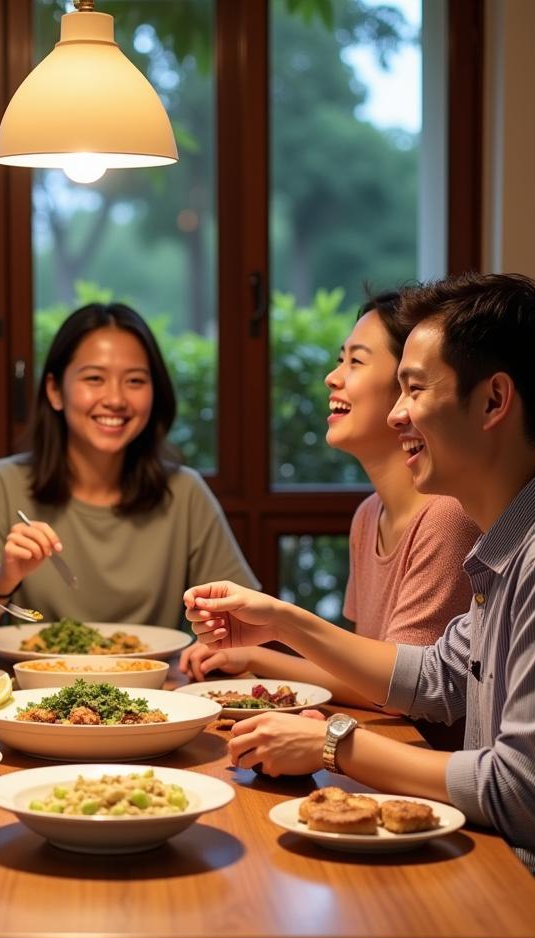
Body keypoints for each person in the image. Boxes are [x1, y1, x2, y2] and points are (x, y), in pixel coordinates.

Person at [183, 272, 535, 938]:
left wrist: (334, 743)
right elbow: (434, 676)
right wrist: (280, 619)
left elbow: (527, 797)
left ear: (493, 402)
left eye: (414, 389)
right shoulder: (510, 543)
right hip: (482, 896)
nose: (397, 414)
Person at [181, 290, 481, 748]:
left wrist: (266, 644)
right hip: (387, 750)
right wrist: (251, 655)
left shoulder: (445, 516)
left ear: (408, 385)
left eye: (356, 362)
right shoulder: (369, 515)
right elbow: (368, 674)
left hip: (425, 773)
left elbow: (401, 694)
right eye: (340, 360)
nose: (332, 377)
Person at [0, 302, 258, 652]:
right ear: (55, 391)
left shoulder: (185, 493)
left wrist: (219, 641)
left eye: (135, 381)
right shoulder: (3, 483)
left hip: (158, 696)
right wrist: (3, 578)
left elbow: (251, 625)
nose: (115, 399)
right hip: (34, 697)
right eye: (94, 378)